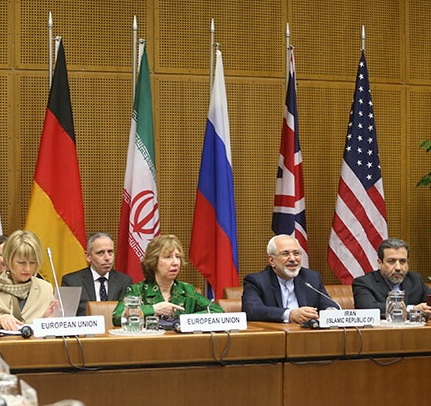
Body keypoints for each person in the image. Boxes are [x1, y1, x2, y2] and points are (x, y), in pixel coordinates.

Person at [113, 234, 223, 327]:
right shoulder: (136, 290)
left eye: (178, 257)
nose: (175, 262)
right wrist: (153, 309)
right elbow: (118, 317)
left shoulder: (187, 290)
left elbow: (218, 312)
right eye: (168, 257)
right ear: (153, 261)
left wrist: (186, 320)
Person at [242, 234, 335, 324]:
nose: (293, 259)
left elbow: (329, 305)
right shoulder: (257, 281)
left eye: (296, 253)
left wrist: (329, 314)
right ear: (272, 260)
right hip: (276, 333)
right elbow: (252, 310)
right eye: (285, 254)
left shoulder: (311, 278)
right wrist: (289, 314)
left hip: (306, 332)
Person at [352, 238, 431, 318]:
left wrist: (425, 309)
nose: (398, 267)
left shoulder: (415, 279)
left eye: (402, 261)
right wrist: (411, 309)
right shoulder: (364, 282)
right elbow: (367, 308)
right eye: (391, 261)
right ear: (380, 263)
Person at [62, 232, 133, 316]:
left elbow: (126, 313)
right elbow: (66, 316)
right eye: (101, 253)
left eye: (110, 252)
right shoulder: (71, 282)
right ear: (88, 256)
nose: (107, 258)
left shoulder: (124, 281)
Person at [0, 230, 57, 330]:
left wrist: (46, 322)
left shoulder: (45, 289)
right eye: (21, 262)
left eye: (32, 263)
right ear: (8, 260)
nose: (27, 269)